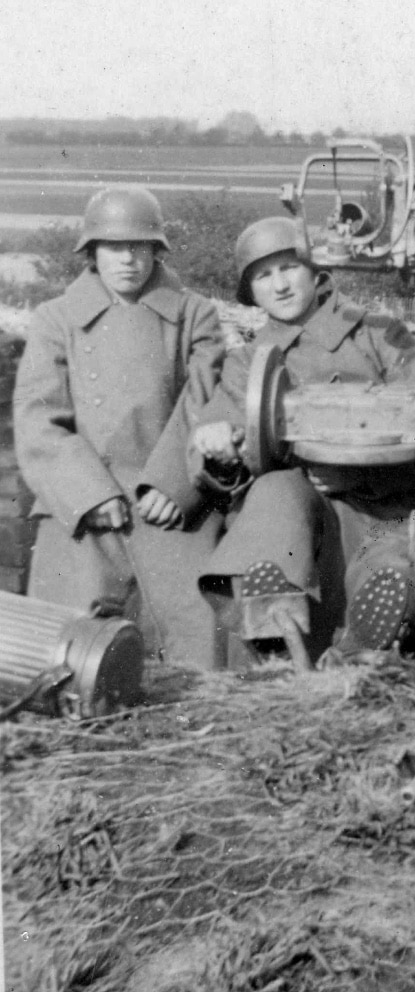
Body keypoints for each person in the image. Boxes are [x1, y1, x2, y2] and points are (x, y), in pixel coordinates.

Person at [189, 216, 415, 669]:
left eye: (289, 269)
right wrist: (217, 444)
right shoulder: (249, 362)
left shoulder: (379, 335)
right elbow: (221, 428)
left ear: (316, 273)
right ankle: (274, 619)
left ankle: (361, 648)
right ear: (251, 293)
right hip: (300, 522)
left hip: (382, 508)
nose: (279, 286)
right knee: (273, 494)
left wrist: (358, 471)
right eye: (263, 276)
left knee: (389, 570)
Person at [14, 186, 226, 668]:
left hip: (170, 502)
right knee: (65, 648)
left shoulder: (195, 315)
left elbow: (205, 404)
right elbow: (38, 417)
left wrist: (175, 485)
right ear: (91, 252)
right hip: (84, 505)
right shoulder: (56, 319)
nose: (128, 259)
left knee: (195, 639)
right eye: (113, 247)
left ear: (157, 250)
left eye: (140, 246)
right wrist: (90, 494)